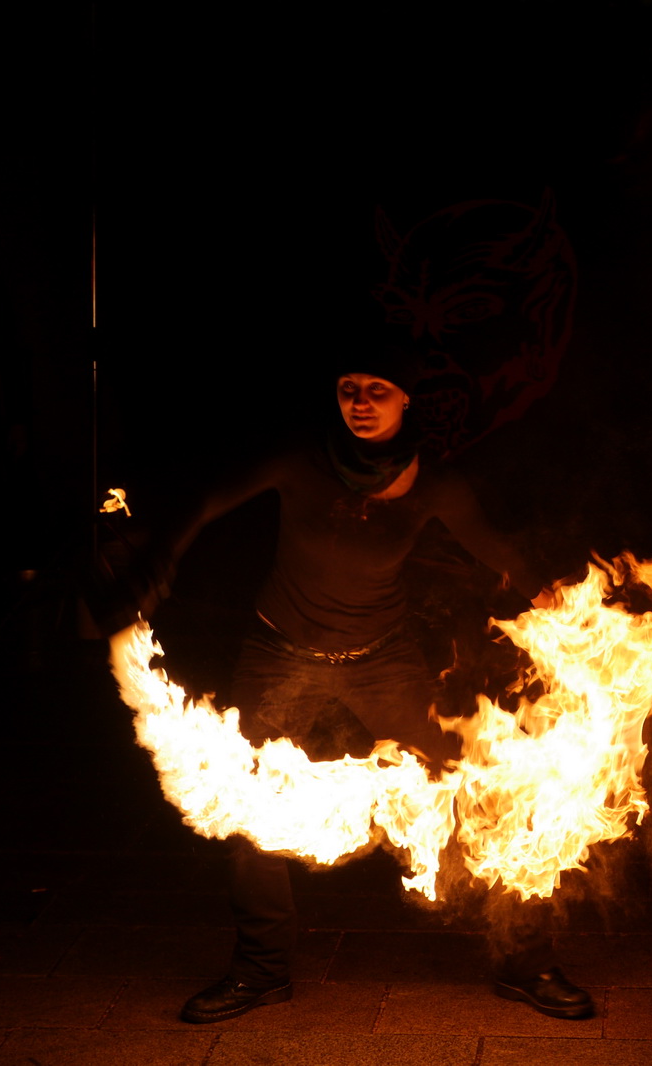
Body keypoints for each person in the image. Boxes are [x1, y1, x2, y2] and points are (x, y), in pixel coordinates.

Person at [120, 340, 593, 1024]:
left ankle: (528, 960)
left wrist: (556, 594)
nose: (361, 401)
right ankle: (260, 968)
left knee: (465, 793)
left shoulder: (435, 483)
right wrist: (158, 556)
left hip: (382, 659)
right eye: (349, 386)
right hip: (279, 652)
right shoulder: (299, 459)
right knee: (250, 803)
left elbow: (499, 548)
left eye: (377, 388)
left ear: (406, 398)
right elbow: (205, 498)